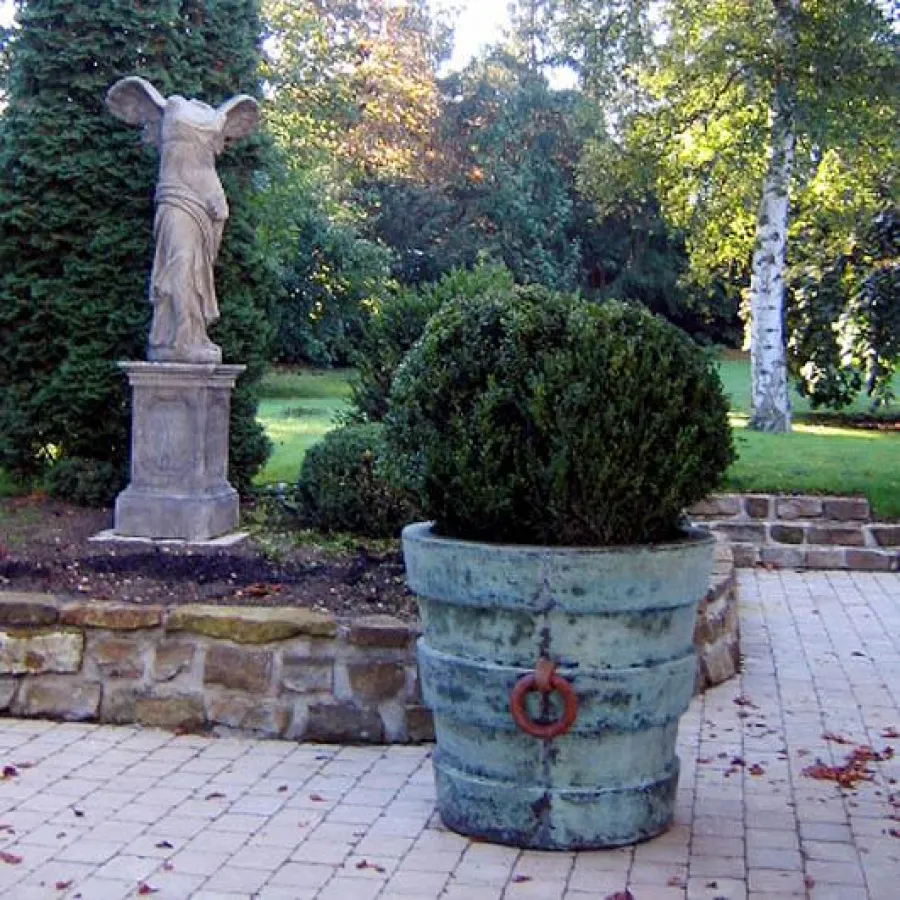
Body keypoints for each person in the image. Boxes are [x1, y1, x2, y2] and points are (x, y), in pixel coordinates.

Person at [106, 77, 259, 363]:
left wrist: (219, 203)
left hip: (204, 200)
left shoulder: (213, 118)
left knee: (198, 268)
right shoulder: (172, 108)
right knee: (181, 264)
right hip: (175, 197)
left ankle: (189, 335)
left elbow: (206, 167)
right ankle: (180, 337)